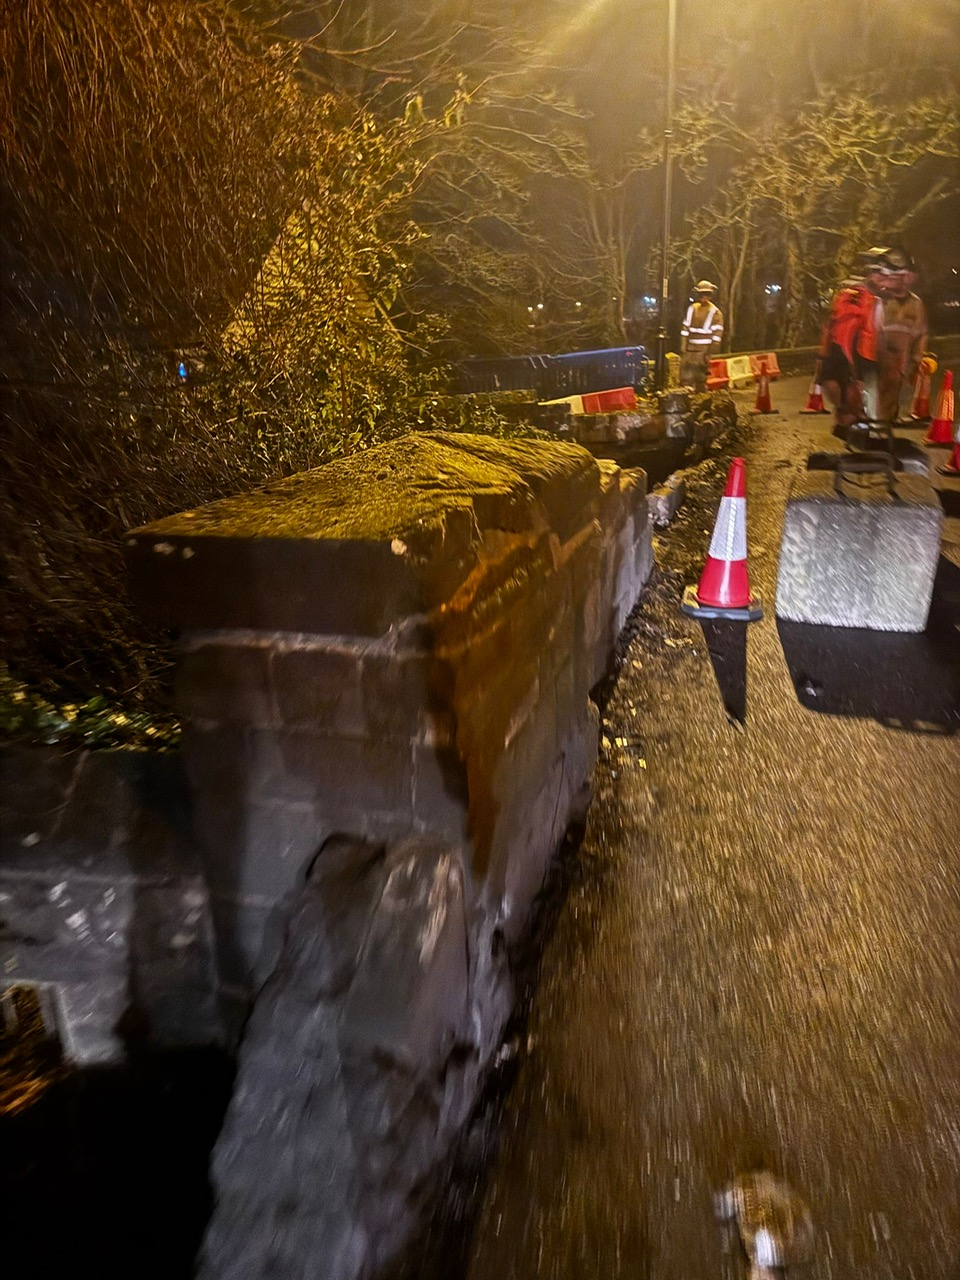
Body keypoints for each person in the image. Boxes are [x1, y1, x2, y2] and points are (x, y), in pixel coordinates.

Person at [818, 251, 893, 432]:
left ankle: (850, 424)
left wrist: (822, 357)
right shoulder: (871, 301)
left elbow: (830, 328)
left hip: (839, 355)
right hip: (860, 357)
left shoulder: (845, 294)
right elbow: (874, 334)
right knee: (866, 398)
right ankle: (865, 430)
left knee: (845, 395)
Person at [876, 247, 928, 423]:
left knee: (899, 391)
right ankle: (879, 423)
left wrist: (917, 357)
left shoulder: (916, 303)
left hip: (904, 360)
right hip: (881, 357)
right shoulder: (880, 299)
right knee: (880, 391)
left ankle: (888, 421)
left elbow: (921, 332)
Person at [680, 280, 724, 391]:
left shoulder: (715, 312)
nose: (704, 297)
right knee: (686, 376)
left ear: (710, 296)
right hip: (690, 349)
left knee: (700, 376)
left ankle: (700, 395)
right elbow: (685, 328)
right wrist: (683, 345)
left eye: (707, 294)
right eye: (702, 294)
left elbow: (717, 336)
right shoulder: (692, 308)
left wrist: (710, 352)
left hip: (704, 350)